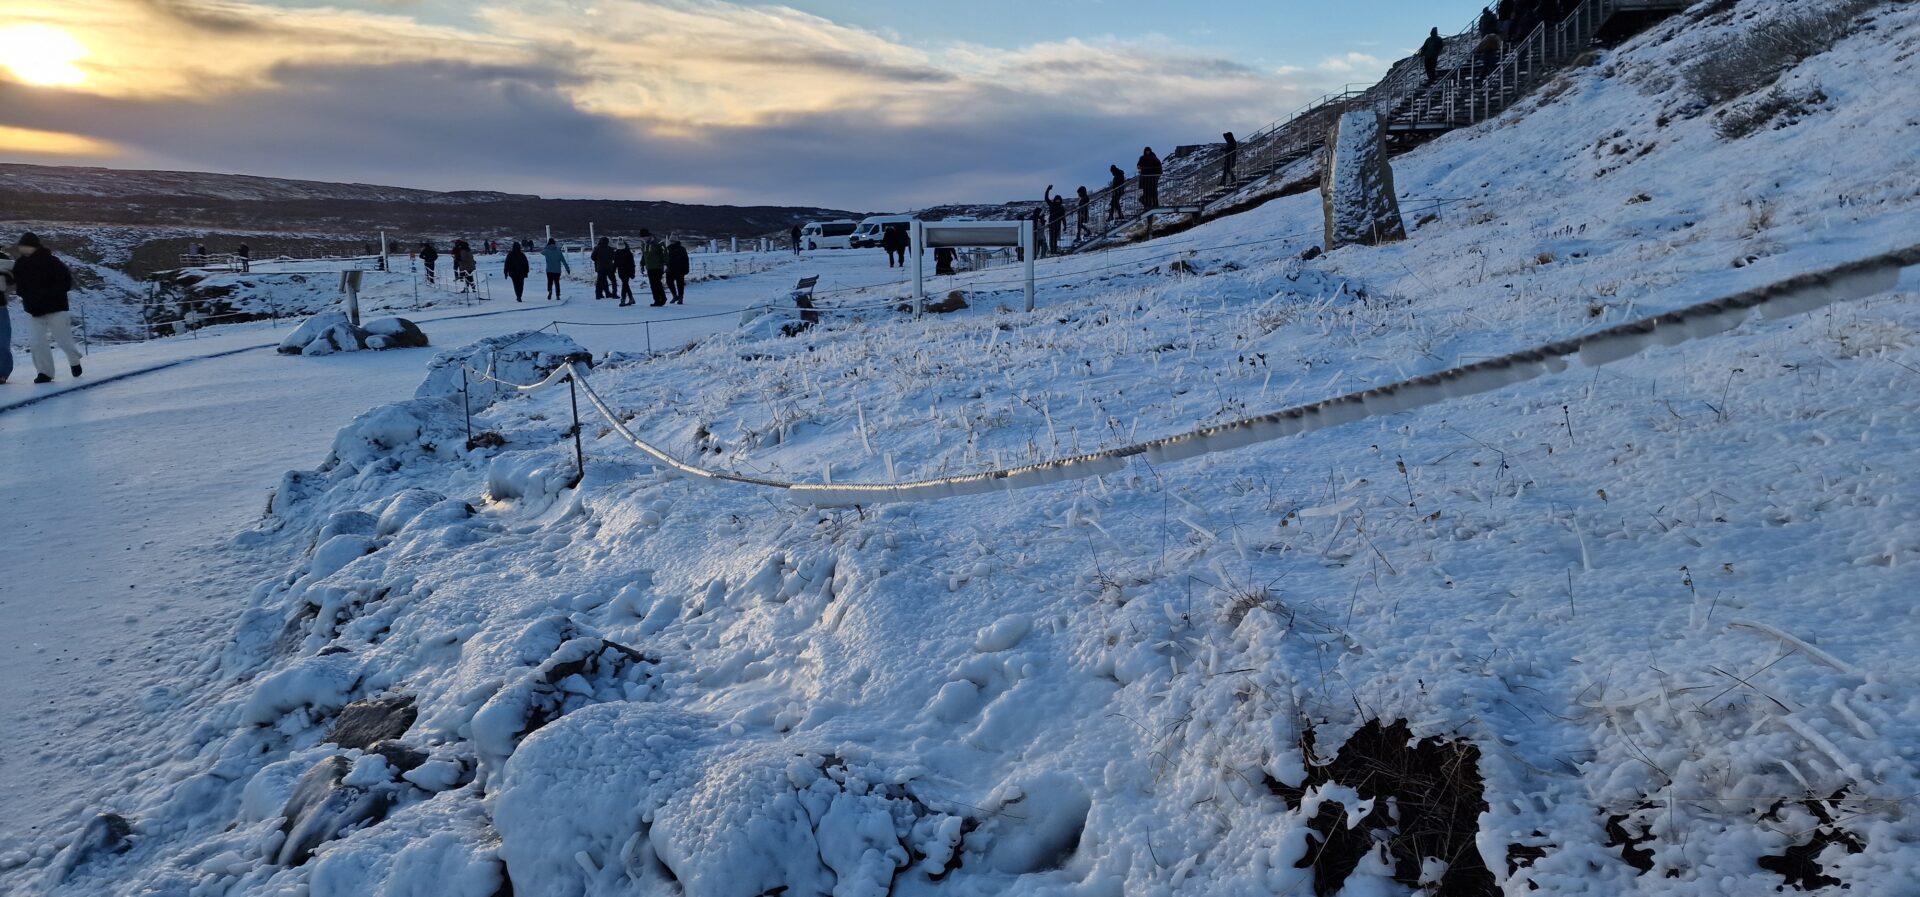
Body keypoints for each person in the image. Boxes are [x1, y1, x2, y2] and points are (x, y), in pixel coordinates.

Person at [12, 233, 81, 383]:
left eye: (25, 246)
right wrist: (24, 294)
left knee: (63, 340)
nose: (22, 249)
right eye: (21, 246)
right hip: (34, 310)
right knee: (36, 342)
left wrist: (52, 294)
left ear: (33, 246)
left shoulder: (51, 261)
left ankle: (74, 360)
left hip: (56, 307)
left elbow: (66, 280)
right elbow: (18, 283)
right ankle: (45, 372)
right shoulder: (20, 264)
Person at [639, 230, 669, 306]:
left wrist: (666, 264)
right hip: (649, 267)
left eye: (645, 237)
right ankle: (658, 299)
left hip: (658, 266)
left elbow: (665, 253)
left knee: (656, 283)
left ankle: (660, 299)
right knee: (653, 284)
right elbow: (644, 255)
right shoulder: (644, 244)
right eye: (642, 237)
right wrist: (642, 264)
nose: (644, 239)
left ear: (649, 236)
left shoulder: (658, 243)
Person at [0, 250, 14, 384]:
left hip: (0, 306)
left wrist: (3, 272)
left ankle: (2, 373)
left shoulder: (2, 258)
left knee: (3, 341)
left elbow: (12, 279)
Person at [667, 239, 690, 304]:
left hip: (680, 269)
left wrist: (686, 269)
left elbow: (686, 259)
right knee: (669, 282)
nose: (670, 242)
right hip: (670, 268)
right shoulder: (668, 248)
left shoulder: (682, 249)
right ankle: (674, 295)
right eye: (670, 241)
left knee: (680, 284)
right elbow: (665, 258)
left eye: (672, 241)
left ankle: (680, 297)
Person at [614, 242, 637, 306]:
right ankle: (631, 298)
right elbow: (615, 263)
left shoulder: (628, 253)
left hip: (627, 271)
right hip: (621, 271)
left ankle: (623, 299)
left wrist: (632, 273)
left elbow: (632, 264)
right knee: (626, 285)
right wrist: (613, 270)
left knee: (624, 285)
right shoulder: (617, 253)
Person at [1046, 189, 1067, 254]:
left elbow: (1063, 217)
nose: (1058, 201)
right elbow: (1046, 198)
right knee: (1051, 238)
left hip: (1058, 224)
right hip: (1052, 224)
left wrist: (1065, 225)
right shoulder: (1052, 205)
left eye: (1059, 200)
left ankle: (1054, 250)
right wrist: (1048, 190)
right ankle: (1052, 250)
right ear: (1055, 200)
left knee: (1055, 238)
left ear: (1060, 200)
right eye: (1057, 199)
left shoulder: (1061, 207)